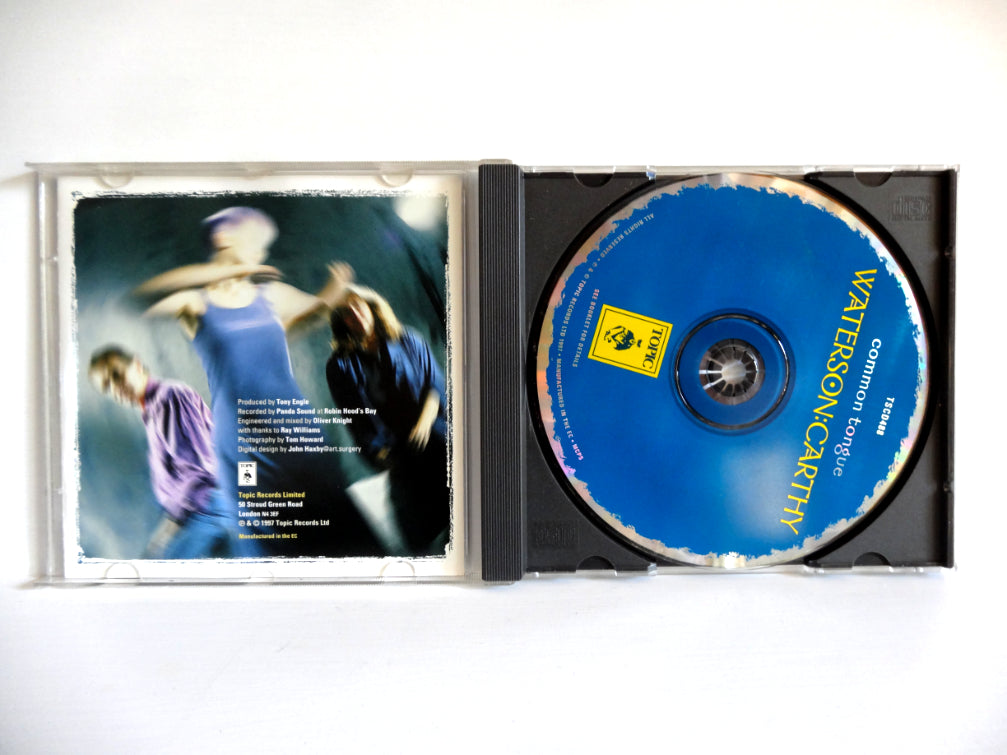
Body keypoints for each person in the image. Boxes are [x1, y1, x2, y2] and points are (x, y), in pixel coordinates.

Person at [137, 206, 384, 557]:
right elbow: (142, 299)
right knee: (268, 534)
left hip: (295, 428)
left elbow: (318, 310)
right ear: (222, 238)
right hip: (243, 442)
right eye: (255, 241)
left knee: (337, 524)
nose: (261, 253)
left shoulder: (271, 294)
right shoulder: (196, 303)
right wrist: (233, 270)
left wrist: (336, 287)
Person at [326, 280, 450, 556]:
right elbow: (355, 418)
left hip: (434, 432)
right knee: (415, 531)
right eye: (346, 312)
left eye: (358, 306)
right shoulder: (339, 365)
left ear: (371, 307)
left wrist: (423, 425)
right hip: (398, 452)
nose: (355, 315)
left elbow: (434, 385)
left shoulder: (408, 339)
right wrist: (382, 455)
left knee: (462, 504)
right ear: (341, 321)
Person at [88, 346, 234, 559]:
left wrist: (172, 525)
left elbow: (196, 469)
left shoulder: (169, 397)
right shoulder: (153, 409)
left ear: (137, 365)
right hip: (202, 508)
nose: (115, 388)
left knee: (158, 570)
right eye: (106, 386)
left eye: (117, 375)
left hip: (203, 508)